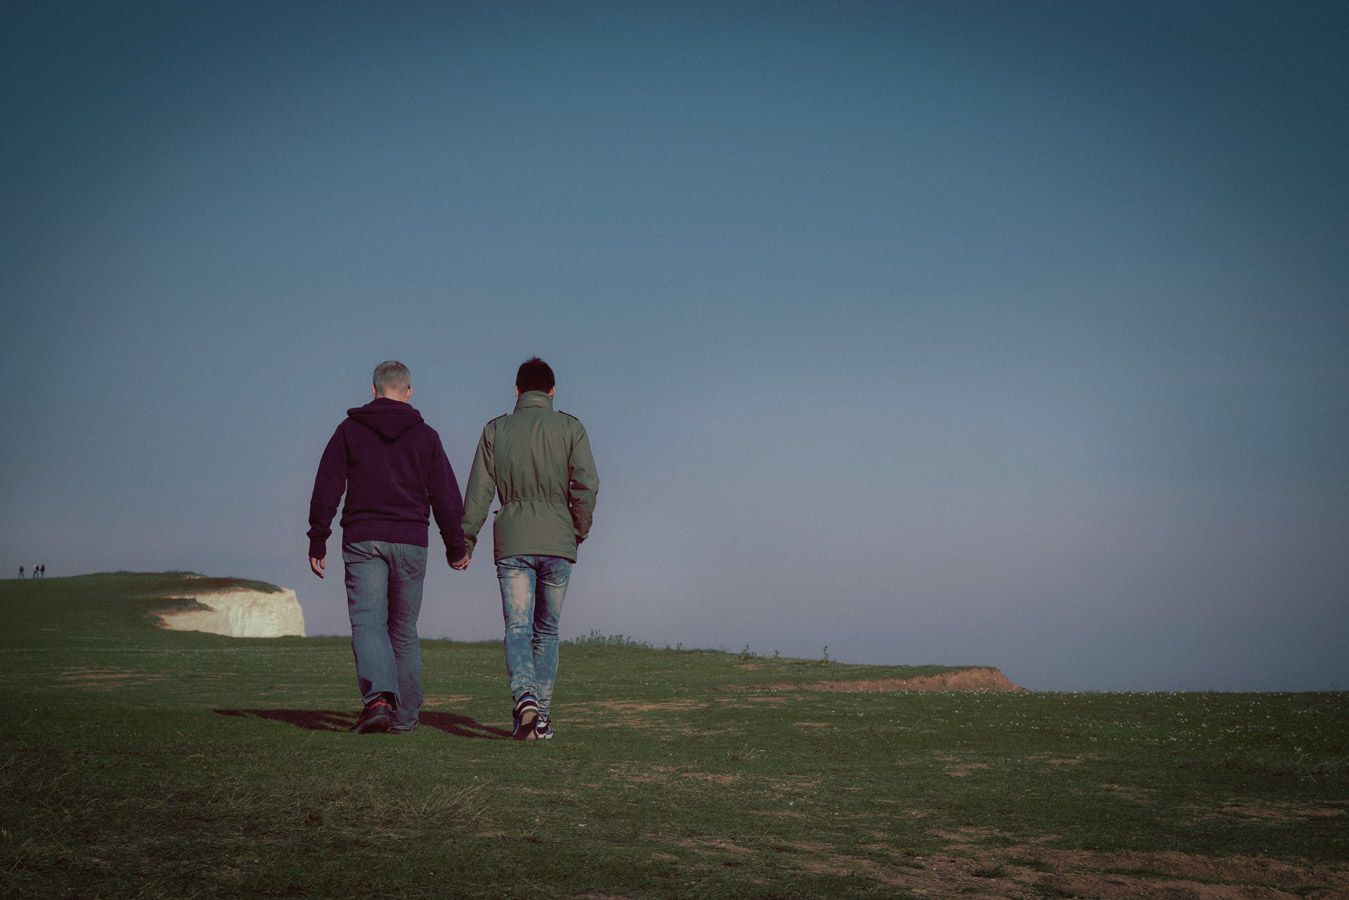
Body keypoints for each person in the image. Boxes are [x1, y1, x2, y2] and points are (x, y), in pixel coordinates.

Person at [308, 361, 469, 735]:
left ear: (373, 389)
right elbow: (445, 494)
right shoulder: (426, 436)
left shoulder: (349, 430)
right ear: (408, 391)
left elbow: (327, 485)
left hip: (364, 538)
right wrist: (455, 547)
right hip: (412, 541)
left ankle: (378, 700)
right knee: (404, 630)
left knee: (368, 622)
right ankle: (405, 718)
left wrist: (319, 537)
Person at [458, 357, 598, 740]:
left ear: (517, 391)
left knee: (518, 628)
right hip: (558, 540)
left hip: (514, 541)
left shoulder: (495, 430)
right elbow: (588, 484)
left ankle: (526, 700)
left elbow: (479, 492)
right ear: (552, 391)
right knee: (547, 632)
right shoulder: (572, 428)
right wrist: (577, 530)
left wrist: (465, 538)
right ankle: (542, 718)